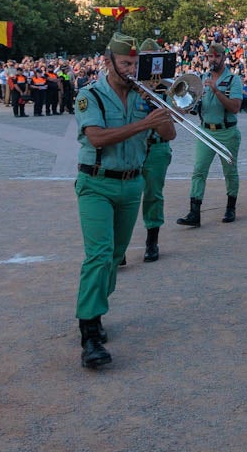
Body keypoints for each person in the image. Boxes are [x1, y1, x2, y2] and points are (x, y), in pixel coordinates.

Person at [72, 33, 175, 369]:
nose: (132, 70)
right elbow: (97, 137)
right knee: (100, 255)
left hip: (132, 186)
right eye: (127, 63)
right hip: (96, 184)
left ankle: (96, 308)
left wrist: (163, 108)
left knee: (115, 257)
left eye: (135, 64)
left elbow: (169, 135)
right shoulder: (91, 96)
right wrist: (143, 123)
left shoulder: (144, 95)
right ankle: (89, 330)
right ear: (108, 62)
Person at [177, 44, 243, 226]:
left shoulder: (233, 80)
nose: (212, 60)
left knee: (230, 171)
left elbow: (235, 107)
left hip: (227, 131)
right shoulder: (203, 78)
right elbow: (193, 102)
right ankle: (194, 212)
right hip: (205, 130)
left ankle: (231, 208)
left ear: (223, 57)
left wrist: (216, 91)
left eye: (216, 56)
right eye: (209, 56)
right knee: (199, 170)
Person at [137, 39, 174, 263]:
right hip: (133, 145)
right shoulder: (130, 84)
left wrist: (156, 101)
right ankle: (119, 245)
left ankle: (152, 240)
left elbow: (175, 120)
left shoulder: (166, 86)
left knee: (153, 195)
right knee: (127, 195)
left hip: (158, 145)